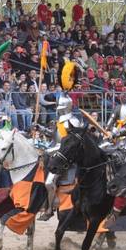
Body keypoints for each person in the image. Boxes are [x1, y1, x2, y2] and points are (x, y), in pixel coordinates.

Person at [38, 93, 82, 221]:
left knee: (49, 182)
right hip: (56, 155)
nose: (59, 110)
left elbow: (73, 143)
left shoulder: (74, 121)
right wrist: (40, 128)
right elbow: (53, 135)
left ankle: (49, 209)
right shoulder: (58, 122)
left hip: (67, 157)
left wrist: (51, 150)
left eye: (61, 107)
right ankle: (44, 203)